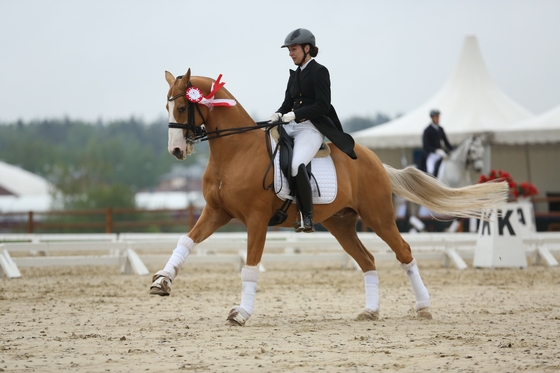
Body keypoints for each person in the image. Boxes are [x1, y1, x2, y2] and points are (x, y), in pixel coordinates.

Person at [269, 28, 357, 233]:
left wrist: (296, 114)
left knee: (296, 164)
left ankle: (306, 216)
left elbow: (323, 105)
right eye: (289, 50)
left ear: (307, 48)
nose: (290, 53)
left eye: (294, 49)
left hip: (312, 127)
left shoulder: (319, 71)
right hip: (292, 125)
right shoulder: (294, 75)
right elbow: (287, 103)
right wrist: (278, 114)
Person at [422, 109, 453, 177]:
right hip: (431, 154)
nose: (437, 118)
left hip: (441, 153)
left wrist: (453, 150)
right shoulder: (427, 130)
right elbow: (426, 145)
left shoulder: (440, 129)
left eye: (438, 116)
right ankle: (431, 178)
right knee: (430, 169)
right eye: (436, 117)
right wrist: (436, 150)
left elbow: (446, 142)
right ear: (432, 118)